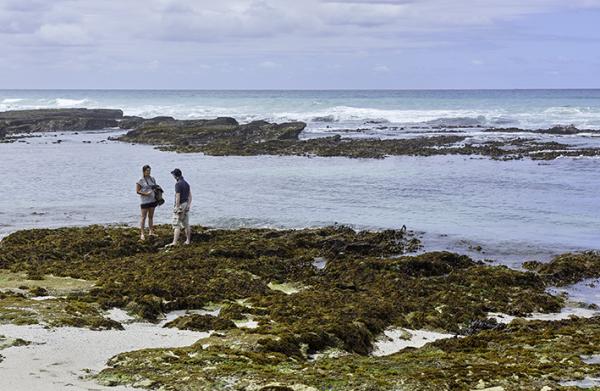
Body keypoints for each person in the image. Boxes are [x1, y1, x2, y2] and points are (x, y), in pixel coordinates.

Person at [166, 168, 192, 247]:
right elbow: (190, 196)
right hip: (186, 204)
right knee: (186, 224)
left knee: (176, 224)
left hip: (180, 204)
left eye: (173, 175)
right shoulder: (186, 183)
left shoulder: (178, 184)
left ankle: (174, 242)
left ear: (175, 176)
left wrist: (177, 208)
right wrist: (188, 205)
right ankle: (188, 240)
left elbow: (178, 197)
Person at [136, 165, 159, 241]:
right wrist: (146, 194)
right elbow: (137, 191)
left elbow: (155, 187)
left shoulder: (152, 179)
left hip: (152, 200)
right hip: (145, 201)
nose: (148, 172)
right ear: (144, 171)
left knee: (151, 216)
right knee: (143, 217)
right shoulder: (140, 180)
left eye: (149, 171)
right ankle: (142, 233)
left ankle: (151, 231)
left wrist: (158, 193)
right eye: (147, 171)